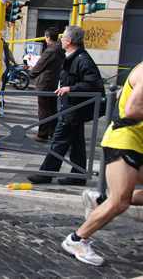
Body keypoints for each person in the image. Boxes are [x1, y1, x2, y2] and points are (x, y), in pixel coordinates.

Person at [61, 62, 143, 267]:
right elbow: (132, 109)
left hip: (138, 142)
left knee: (118, 199)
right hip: (124, 140)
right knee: (120, 202)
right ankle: (77, 239)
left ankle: (101, 201)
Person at [27, 26, 105, 186]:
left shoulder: (82, 59)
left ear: (69, 41)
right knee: (76, 143)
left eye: (63, 38)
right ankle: (79, 174)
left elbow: (93, 85)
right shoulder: (74, 57)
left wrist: (70, 88)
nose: (60, 40)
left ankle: (46, 173)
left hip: (74, 108)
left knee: (59, 141)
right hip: (73, 107)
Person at [29, 27, 65, 142]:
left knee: (43, 109)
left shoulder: (50, 51)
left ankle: (42, 134)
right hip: (53, 82)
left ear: (48, 38)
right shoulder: (60, 49)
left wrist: (31, 74)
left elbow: (40, 65)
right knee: (51, 108)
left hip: (44, 83)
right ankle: (51, 132)